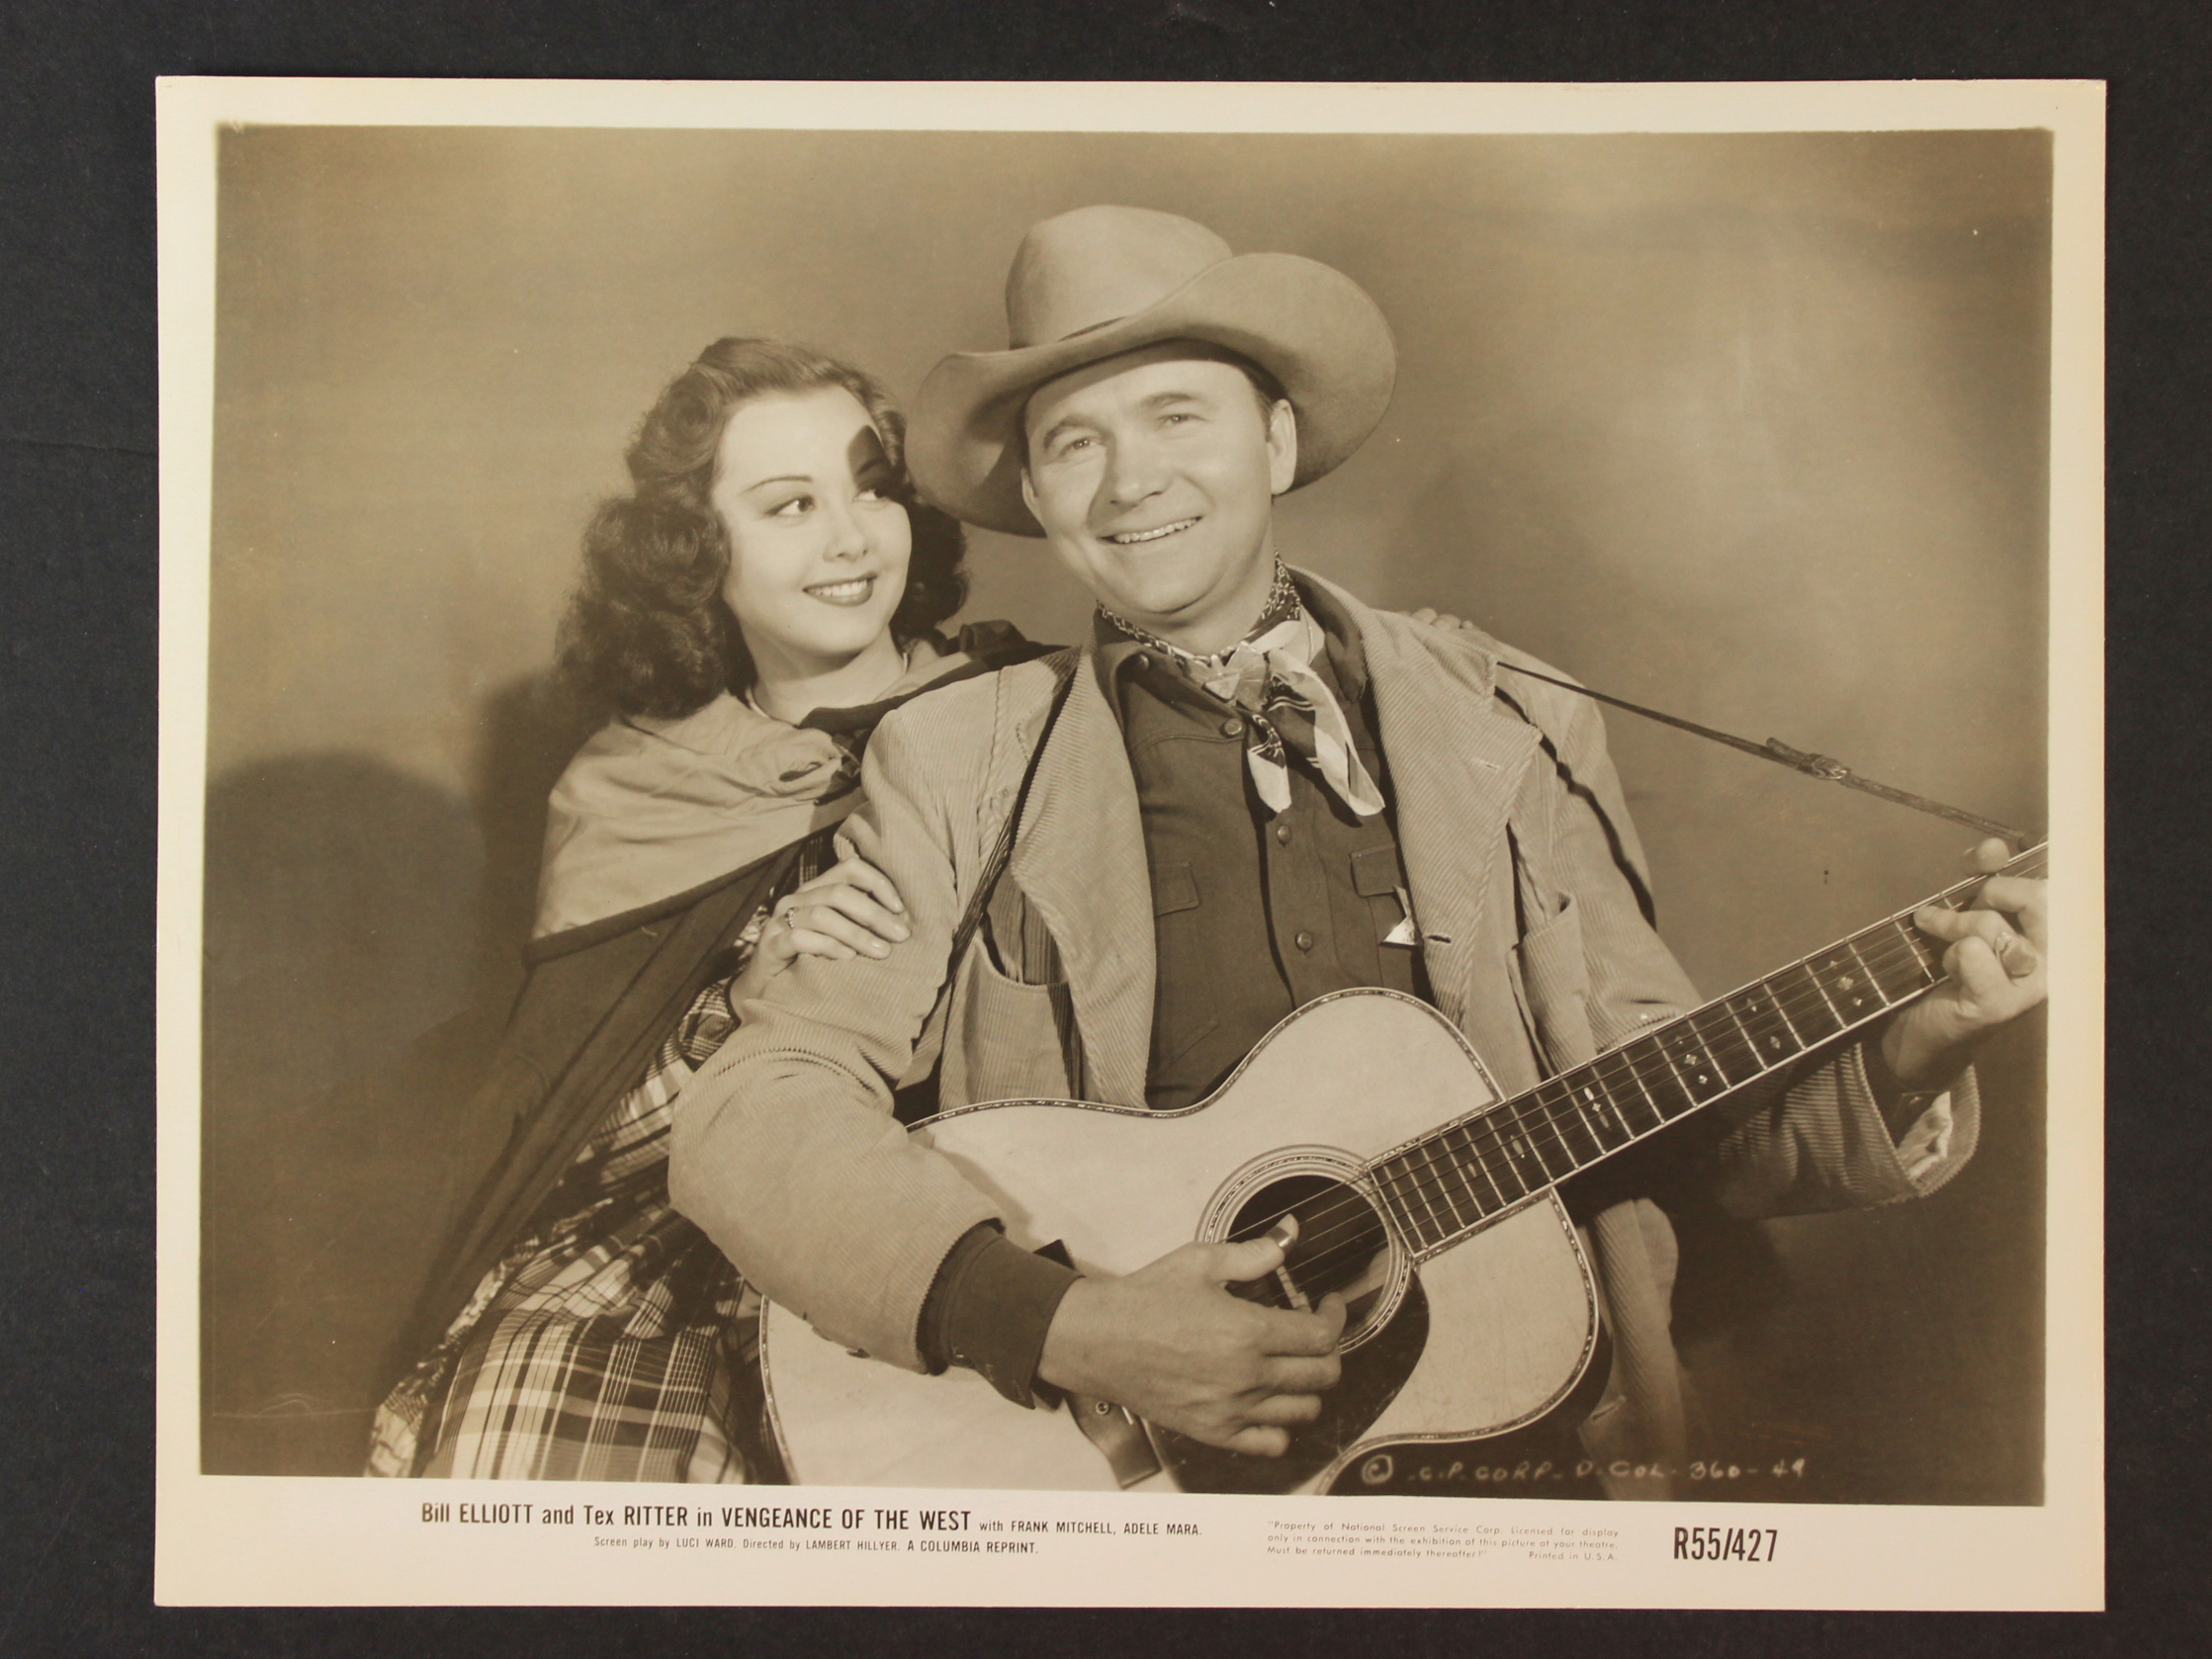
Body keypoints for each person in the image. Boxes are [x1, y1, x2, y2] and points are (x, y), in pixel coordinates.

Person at [666, 208, 2049, 1497]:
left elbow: (1678, 1126)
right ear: (1035, 487)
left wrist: (1916, 1040)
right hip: (1124, 1484)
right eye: (1076, 440)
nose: (1132, 475)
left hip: (1529, 1447)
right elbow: (748, 1118)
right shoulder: (958, 756)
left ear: (1272, 442)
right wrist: (1066, 1321)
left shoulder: (1514, 720)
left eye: (1175, 414)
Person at [366, 336, 1051, 1480]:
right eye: (789, 505)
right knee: (528, 1434)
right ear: (698, 555)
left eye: (871, 489)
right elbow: (575, 1118)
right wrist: (743, 999)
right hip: (671, 1236)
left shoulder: (1028, 708)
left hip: (981, 1203)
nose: (848, 537)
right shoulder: (632, 784)